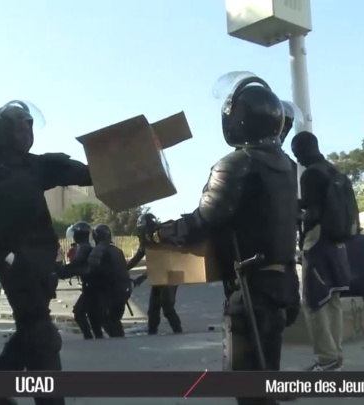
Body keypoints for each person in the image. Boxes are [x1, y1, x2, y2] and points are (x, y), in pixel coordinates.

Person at [141, 75, 300, 405]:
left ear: (238, 118)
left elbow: (202, 222)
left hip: (251, 287)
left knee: (248, 386)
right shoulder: (287, 166)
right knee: (267, 375)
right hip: (282, 280)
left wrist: (159, 232)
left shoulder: (237, 164)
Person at [0, 100, 92, 405]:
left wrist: (116, 160)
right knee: (44, 336)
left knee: (31, 331)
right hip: (13, 262)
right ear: (3, 133)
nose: (28, 133)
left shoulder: (37, 166)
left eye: (30, 126)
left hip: (43, 264)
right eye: (21, 127)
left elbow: (84, 173)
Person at [291, 130, 352, 372]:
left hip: (317, 241)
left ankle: (325, 359)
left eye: (298, 154)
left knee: (314, 302)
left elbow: (313, 213)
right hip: (337, 241)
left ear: (306, 149)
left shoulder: (310, 175)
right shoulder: (334, 171)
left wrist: (295, 213)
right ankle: (335, 356)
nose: (298, 159)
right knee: (333, 298)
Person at [128, 213, 183, 335]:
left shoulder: (161, 238)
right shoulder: (147, 240)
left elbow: (160, 263)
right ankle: (152, 332)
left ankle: (178, 332)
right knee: (153, 308)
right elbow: (137, 258)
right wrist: (123, 269)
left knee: (167, 306)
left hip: (172, 273)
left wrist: (141, 277)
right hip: (159, 275)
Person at [57, 222, 104, 339]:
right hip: (96, 285)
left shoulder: (83, 248)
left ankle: (89, 336)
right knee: (93, 314)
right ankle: (98, 337)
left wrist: (58, 269)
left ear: (78, 234)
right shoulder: (87, 247)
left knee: (79, 312)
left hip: (91, 287)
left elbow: (73, 266)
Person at [87, 224, 133, 337]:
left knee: (101, 316)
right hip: (123, 289)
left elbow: (91, 269)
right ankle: (119, 339)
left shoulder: (98, 250)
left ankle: (115, 338)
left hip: (108, 290)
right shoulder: (117, 250)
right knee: (115, 318)